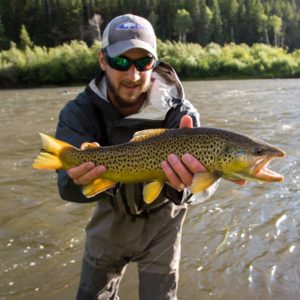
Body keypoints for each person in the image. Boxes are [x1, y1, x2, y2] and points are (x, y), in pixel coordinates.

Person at [55, 14, 217, 300]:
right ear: (103, 60)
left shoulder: (181, 114)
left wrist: (186, 186)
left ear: (154, 63)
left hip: (164, 221)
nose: (133, 75)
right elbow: (65, 186)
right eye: (121, 62)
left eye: (143, 63)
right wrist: (74, 180)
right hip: (110, 215)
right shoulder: (79, 112)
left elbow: (207, 180)